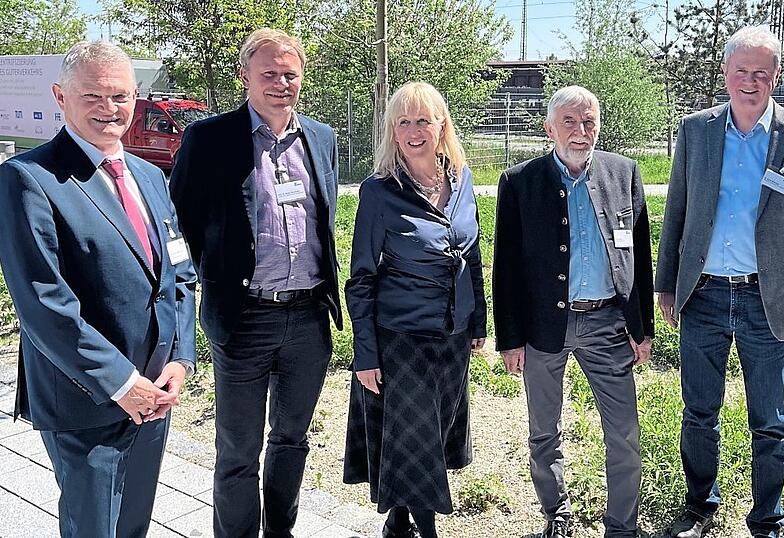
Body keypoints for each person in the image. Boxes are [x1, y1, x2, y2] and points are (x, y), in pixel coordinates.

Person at [0, 41, 197, 537]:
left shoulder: (152, 178)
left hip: (155, 394)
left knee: (133, 524)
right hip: (86, 397)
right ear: (59, 96)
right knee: (93, 527)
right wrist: (121, 382)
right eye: (93, 95)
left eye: (122, 96)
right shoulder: (28, 179)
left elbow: (179, 275)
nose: (110, 110)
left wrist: (180, 359)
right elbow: (44, 301)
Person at [655, 26, 784, 538]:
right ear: (726, 73)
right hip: (703, 294)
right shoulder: (697, 130)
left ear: (777, 76)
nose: (750, 82)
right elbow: (678, 212)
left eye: (762, 73)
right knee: (698, 412)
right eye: (741, 72)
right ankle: (699, 507)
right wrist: (667, 284)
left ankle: (766, 519)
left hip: (767, 298)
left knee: (771, 422)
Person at [168, 28, 342, 538]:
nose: (281, 83)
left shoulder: (320, 137)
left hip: (309, 319)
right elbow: (180, 223)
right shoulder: (210, 138)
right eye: (269, 73)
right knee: (239, 451)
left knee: (292, 439)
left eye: (290, 74)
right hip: (245, 319)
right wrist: (212, 280)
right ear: (245, 76)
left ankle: (280, 531)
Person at [492, 85, 655, 538]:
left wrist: (641, 328)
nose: (581, 131)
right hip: (545, 326)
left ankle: (622, 525)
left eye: (589, 121)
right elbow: (505, 266)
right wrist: (510, 338)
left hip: (607, 323)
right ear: (549, 128)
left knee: (623, 432)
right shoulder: (520, 181)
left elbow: (639, 258)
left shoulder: (624, 173)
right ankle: (556, 513)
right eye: (570, 121)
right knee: (545, 430)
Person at [342, 81, 487, 538]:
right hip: (401, 338)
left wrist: (477, 321)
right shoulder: (379, 192)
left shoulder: (461, 181)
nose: (413, 130)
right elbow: (361, 278)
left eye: (422, 120)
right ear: (392, 131)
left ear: (441, 125)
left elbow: (474, 256)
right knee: (416, 439)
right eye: (402, 122)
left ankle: (397, 519)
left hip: (452, 337)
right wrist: (365, 354)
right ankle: (425, 528)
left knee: (427, 437)